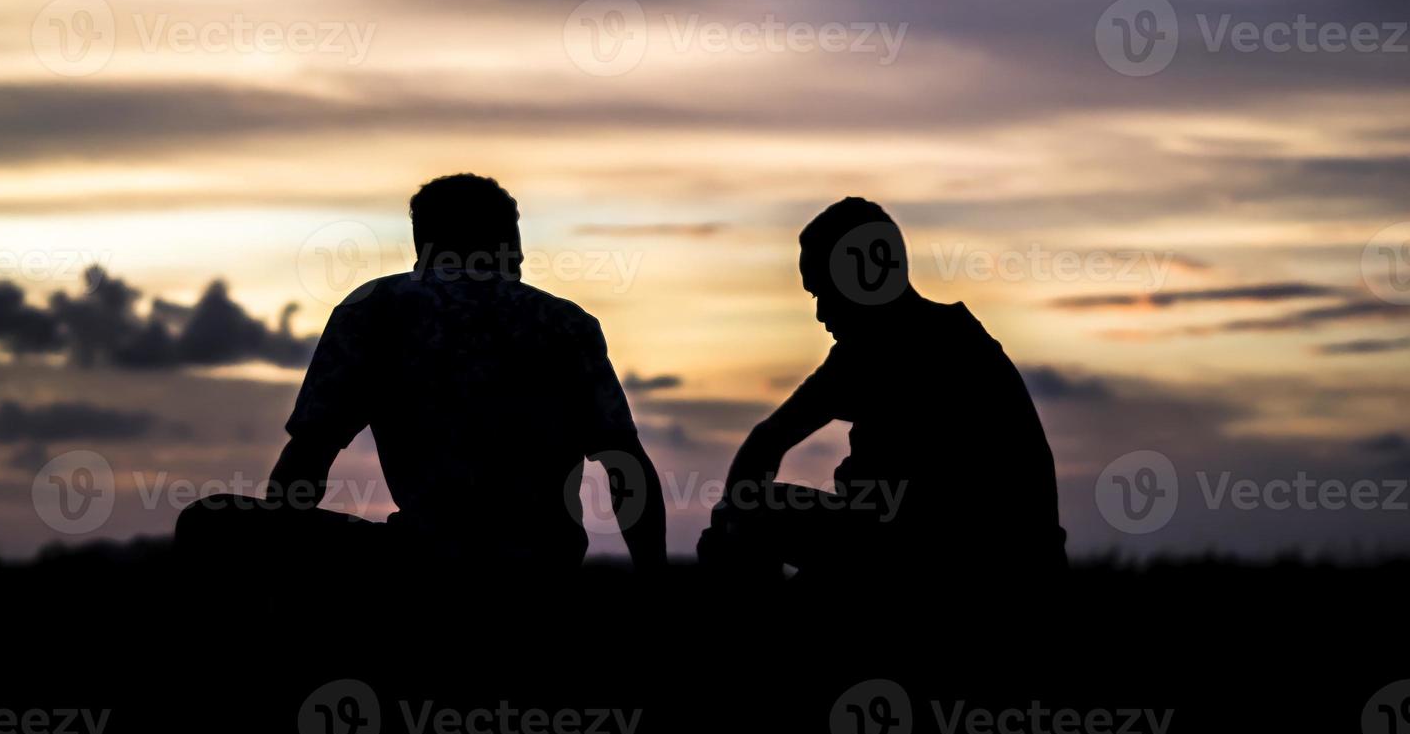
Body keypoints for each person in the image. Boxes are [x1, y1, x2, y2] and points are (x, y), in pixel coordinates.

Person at [176, 174, 666, 575]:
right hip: (539, 567)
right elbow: (625, 465)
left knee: (209, 522)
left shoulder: (377, 309)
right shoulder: (564, 322)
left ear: (422, 244)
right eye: (515, 235)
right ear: (507, 242)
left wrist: (279, 559)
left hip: (423, 560)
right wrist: (654, 577)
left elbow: (309, 455)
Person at [699, 197, 1065, 584]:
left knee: (746, 516)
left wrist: (733, 526)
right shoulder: (900, 343)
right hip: (921, 550)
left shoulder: (934, 349)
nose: (821, 314)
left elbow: (912, 528)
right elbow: (767, 442)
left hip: (964, 564)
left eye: (824, 292)